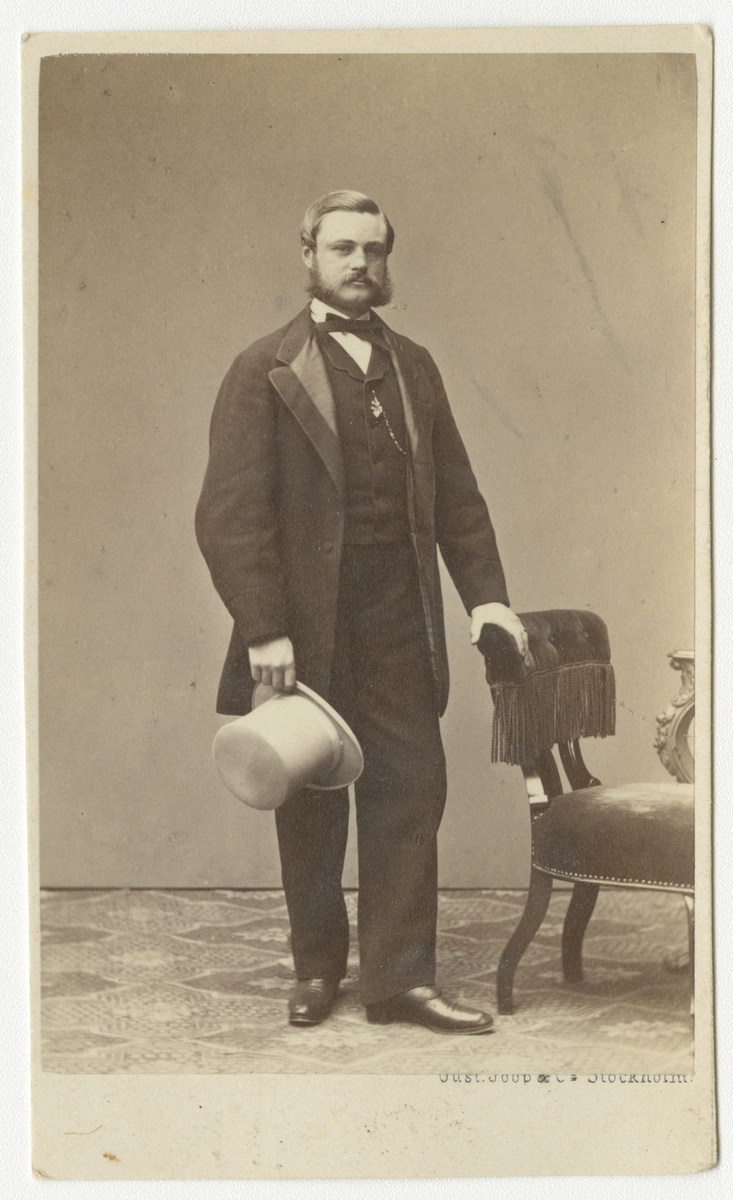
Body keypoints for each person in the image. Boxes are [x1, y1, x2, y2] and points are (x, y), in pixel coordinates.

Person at [196, 190, 528, 1034]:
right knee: (310, 803)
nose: (359, 264)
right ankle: (316, 967)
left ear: (386, 260)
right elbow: (229, 515)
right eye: (342, 248)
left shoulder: (414, 364)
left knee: (411, 792)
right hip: (303, 631)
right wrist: (265, 626)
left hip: (399, 620)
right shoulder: (262, 368)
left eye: (373, 250)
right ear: (308, 256)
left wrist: (487, 597)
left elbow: (457, 496)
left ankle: (400, 982)